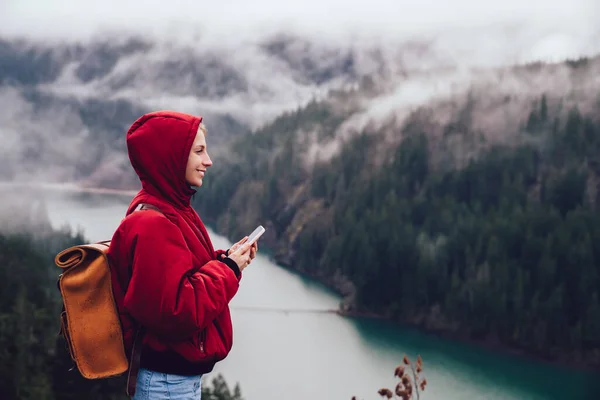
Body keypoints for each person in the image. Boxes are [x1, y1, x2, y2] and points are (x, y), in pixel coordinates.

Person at [107, 110, 256, 399]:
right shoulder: (153, 223)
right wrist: (228, 270)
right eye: (199, 151)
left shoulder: (170, 208)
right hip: (166, 384)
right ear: (171, 157)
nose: (208, 161)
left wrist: (228, 259)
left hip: (173, 381)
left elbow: (181, 270)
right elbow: (176, 311)